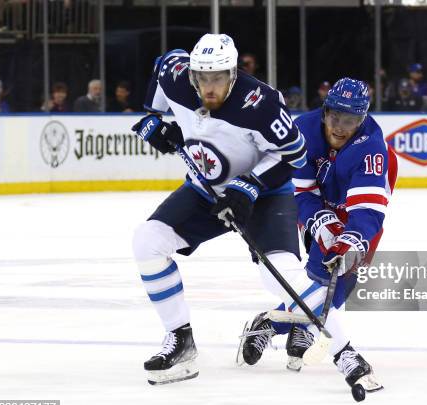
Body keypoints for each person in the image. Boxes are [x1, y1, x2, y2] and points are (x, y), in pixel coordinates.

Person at [130, 34, 307, 386]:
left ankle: (293, 318)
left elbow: (296, 156)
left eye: (218, 78)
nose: (209, 87)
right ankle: (180, 341)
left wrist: (251, 186)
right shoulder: (176, 76)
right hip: (204, 190)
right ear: (192, 74)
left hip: (265, 194)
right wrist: (154, 124)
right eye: (203, 78)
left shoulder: (262, 103)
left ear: (234, 73)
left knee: (281, 277)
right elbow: (164, 66)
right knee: (148, 241)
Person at [239, 77, 397, 393]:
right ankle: (306, 327)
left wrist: (350, 239)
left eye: (349, 120)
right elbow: (302, 191)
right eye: (334, 116)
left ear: (362, 118)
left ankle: (273, 322)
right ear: (325, 111)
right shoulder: (305, 131)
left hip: (358, 213)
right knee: (317, 276)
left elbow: (367, 210)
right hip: (317, 204)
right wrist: (322, 223)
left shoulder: (373, 149)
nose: (339, 127)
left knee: (339, 284)